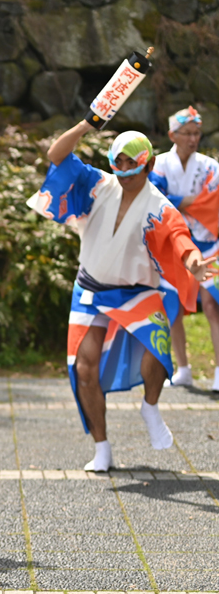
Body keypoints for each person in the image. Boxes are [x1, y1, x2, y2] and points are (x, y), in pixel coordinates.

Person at [27, 120, 216, 472]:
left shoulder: (159, 206)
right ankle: (102, 447)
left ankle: (151, 405)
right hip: (90, 288)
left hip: (137, 292)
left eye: (133, 162)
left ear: (148, 164)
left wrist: (193, 262)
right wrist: (88, 123)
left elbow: (180, 238)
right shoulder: (98, 184)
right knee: (84, 369)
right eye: (121, 161)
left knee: (158, 358)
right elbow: (56, 154)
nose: (125, 169)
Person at [149, 106, 219, 389]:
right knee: (171, 305)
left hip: (209, 242)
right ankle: (183, 368)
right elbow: (157, 198)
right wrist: (191, 201)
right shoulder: (160, 164)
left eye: (196, 133)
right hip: (172, 244)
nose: (193, 139)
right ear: (172, 135)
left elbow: (212, 204)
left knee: (213, 304)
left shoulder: (211, 166)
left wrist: (179, 201)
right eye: (187, 133)